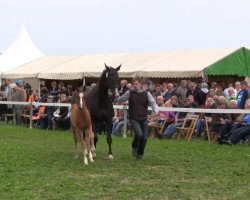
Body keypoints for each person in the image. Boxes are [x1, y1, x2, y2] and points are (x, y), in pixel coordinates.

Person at [117, 76, 158, 160]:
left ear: (140, 83)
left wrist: (155, 111)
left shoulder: (146, 93)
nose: (135, 86)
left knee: (145, 138)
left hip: (144, 118)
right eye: (133, 84)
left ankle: (140, 154)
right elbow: (121, 98)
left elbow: (153, 102)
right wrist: (116, 97)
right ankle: (134, 147)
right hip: (134, 118)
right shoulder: (130, 92)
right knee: (139, 134)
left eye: (136, 84)